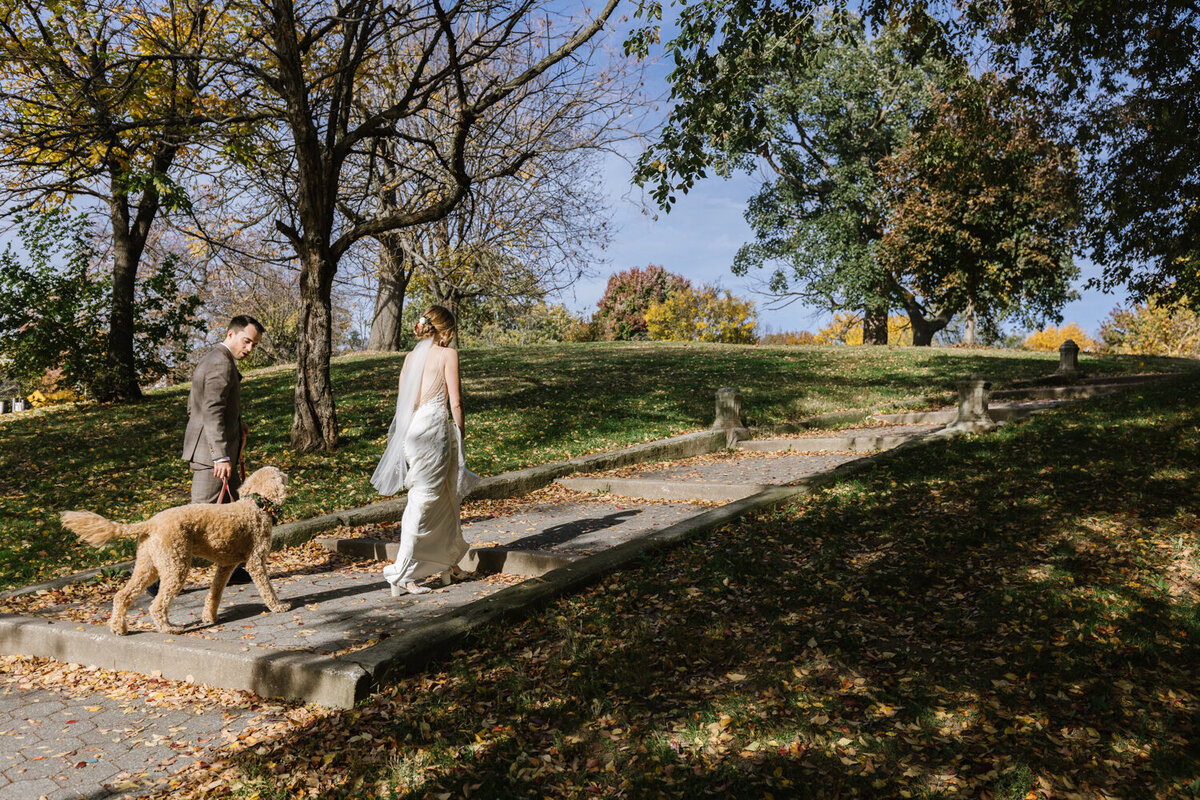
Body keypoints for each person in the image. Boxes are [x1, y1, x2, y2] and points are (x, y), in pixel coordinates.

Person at [372, 305, 479, 596]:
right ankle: (401, 572)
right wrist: (460, 432)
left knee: (444, 495)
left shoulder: (410, 358)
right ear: (444, 330)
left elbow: (405, 401)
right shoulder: (447, 355)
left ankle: (448, 564)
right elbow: (455, 402)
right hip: (433, 431)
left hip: (412, 432)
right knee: (424, 499)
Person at [172, 315, 264, 591]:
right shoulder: (220, 363)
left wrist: (238, 426)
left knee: (235, 511)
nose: (249, 348)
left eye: (254, 345)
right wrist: (220, 456)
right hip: (211, 457)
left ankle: (232, 568)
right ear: (231, 335)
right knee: (192, 521)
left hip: (218, 452)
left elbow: (198, 408)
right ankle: (155, 577)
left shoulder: (216, 359)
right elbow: (210, 411)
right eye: (247, 341)